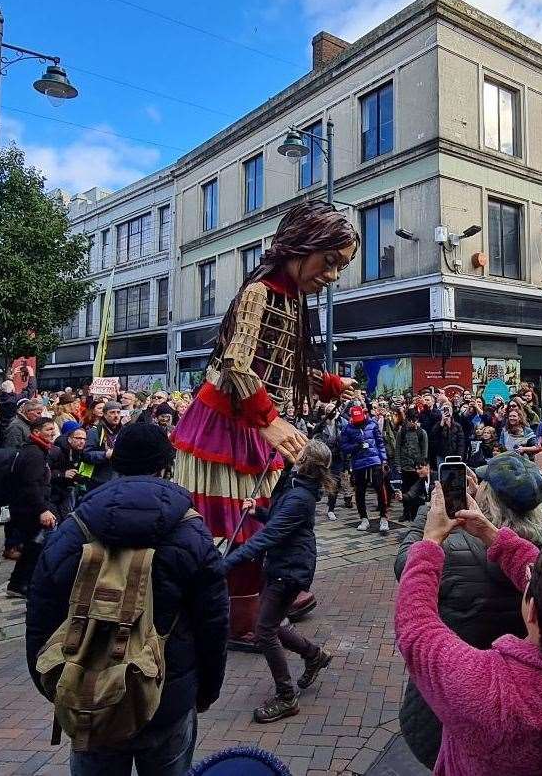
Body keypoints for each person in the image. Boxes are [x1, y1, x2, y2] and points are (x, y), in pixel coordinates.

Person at [169, 201, 358, 641]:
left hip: (249, 424)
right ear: (301, 246)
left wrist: (327, 383)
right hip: (228, 424)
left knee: (259, 515)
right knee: (235, 520)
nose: (331, 276)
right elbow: (237, 363)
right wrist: (269, 420)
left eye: (339, 268)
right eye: (329, 261)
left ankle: (263, 595)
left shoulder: (288, 299)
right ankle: (239, 614)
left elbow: (277, 366)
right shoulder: (261, 292)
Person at [27, 423, 229, 776]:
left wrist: (52, 683)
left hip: (89, 691)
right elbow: (213, 622)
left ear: (117, 463)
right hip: (167, 690)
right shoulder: (191, 530)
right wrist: (205, 689)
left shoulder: (74, 528)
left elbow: (42, 613)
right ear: (165, 466)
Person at [395, 483, 542, 776]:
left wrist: (431, 541)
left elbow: (416, 629)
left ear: (532, 612)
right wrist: (489, 533)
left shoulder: (488, 691)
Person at [393, 453, 542, 769]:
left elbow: (407, 578)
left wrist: (430, 517)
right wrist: (490, 533)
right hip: (521, 710)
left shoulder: (452, 551)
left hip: (453, 702)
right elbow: (525, 564)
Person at [222, 441, 334, 723]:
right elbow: (276, 519)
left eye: (300, 452)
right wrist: (257, 511)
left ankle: (286, 697)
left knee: (264, 630)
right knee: (273, 623)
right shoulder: (298, 485)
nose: (294, 454)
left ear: (305, 461)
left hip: (290, 570)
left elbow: (269, 536)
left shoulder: (299, 496)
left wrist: (225, 563)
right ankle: (314, 655)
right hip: (284, 565)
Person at [6, 417, 58, 599]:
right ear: (36, 432)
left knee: (31, 547)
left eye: (53, 429)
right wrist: (42, 509)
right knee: (34, 547)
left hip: (28, 507)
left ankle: (19, 583)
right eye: (48, 429)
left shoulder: (37, 450)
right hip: (29, 509)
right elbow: (31, 485)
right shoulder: (34, 453)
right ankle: (21, 583)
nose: (52, 433)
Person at [339, 405, 389, 534]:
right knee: (360, 492)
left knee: (380, 489)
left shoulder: (372, 424)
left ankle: (384, 518)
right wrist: (356, 446)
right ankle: (364, 518)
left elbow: (380, 443)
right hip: (359, 464)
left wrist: (384, 460)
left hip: (375, 462)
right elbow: (344, 447)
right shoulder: (347, 429)